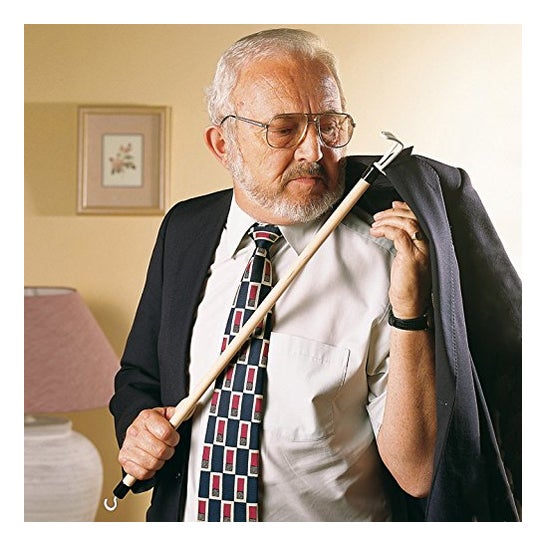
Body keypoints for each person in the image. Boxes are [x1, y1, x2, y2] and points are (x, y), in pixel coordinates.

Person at [108, 27, 436, 522]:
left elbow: (418, 472)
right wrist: (138, 428)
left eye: (329, 126)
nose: (313, 152)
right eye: (284, 130)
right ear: (223, 144)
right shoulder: (184, 228)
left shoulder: (389, 256)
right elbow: (140, 376)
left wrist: (410, 313)